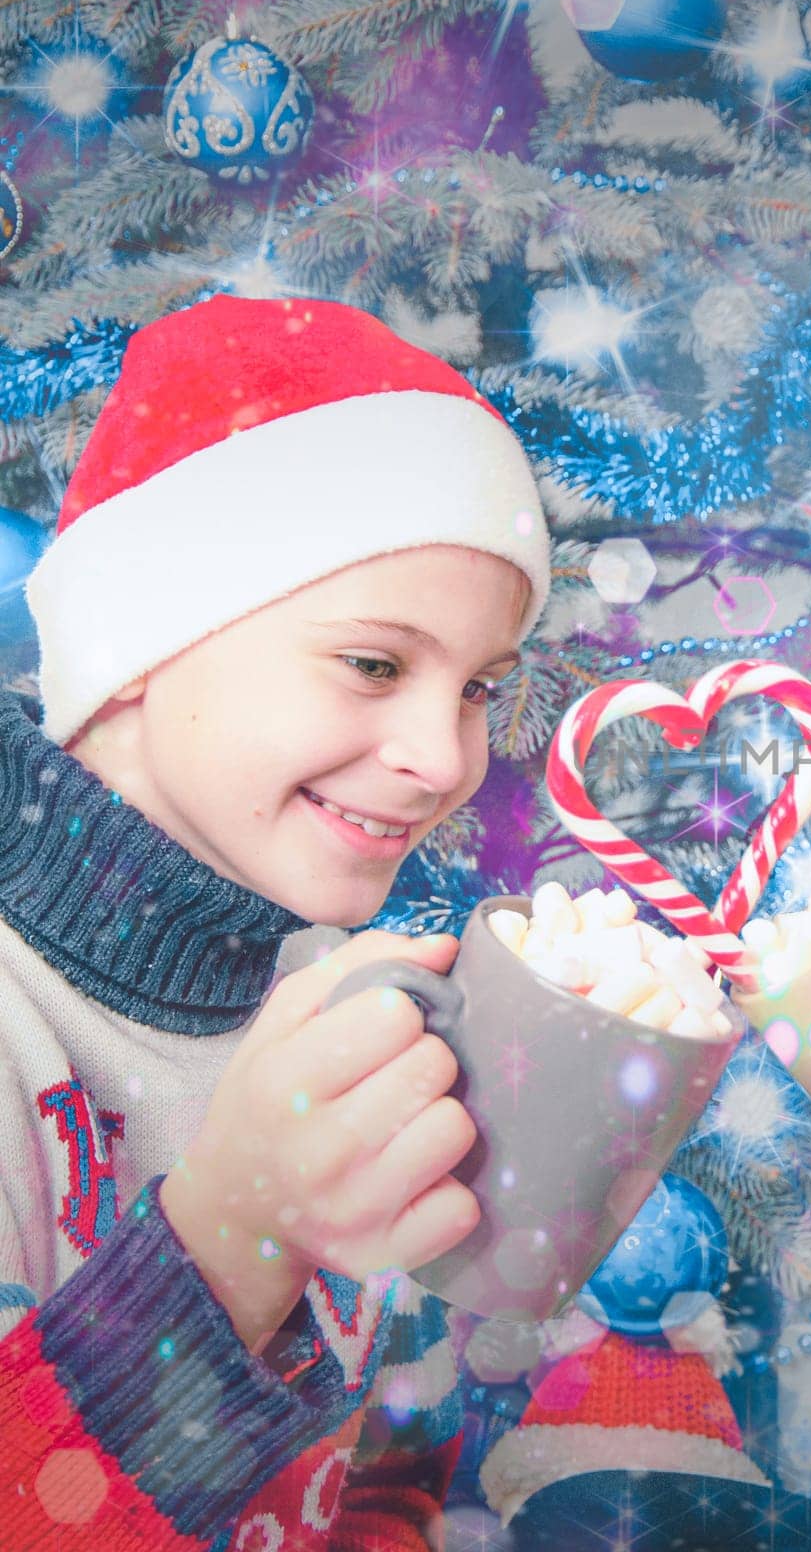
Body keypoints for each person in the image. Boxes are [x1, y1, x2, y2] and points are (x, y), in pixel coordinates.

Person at [0, 291, 552, 1549]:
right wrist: (240, 1233)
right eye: (373, 663)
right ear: (144, 640)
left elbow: (391, 1445)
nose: (443, 755)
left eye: (475, 687)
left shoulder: (338, 990)